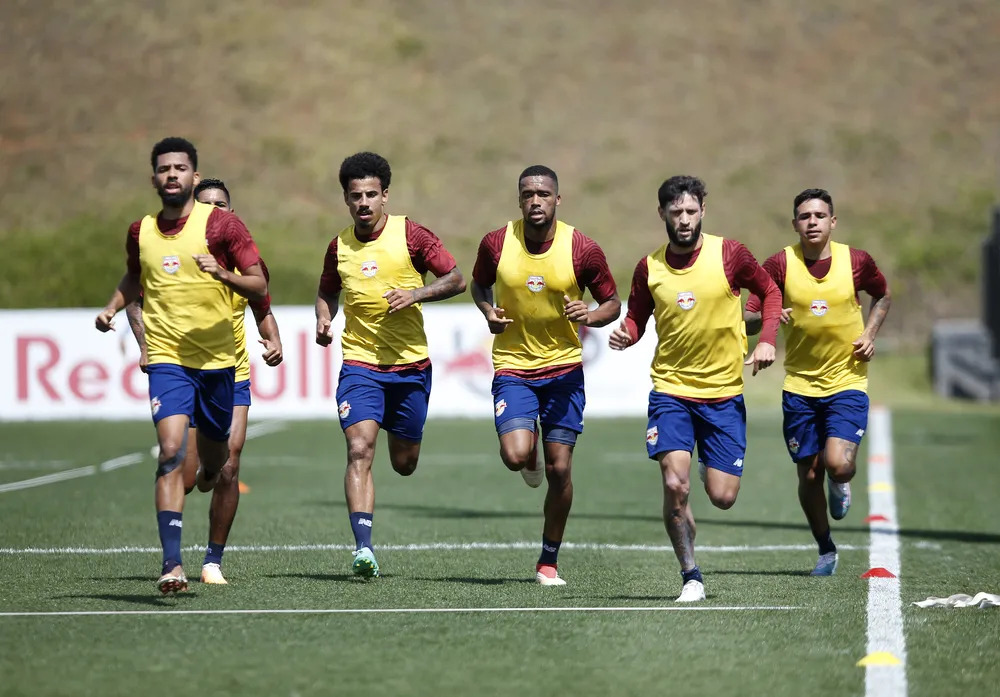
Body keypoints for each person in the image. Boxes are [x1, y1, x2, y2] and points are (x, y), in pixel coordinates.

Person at [95, 137, 269, 594]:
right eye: (164, 168)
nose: (172, 175)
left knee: (219, 466)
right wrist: (114, 308)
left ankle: (213, 550)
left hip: (221, 364)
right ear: (154, 177)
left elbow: (259, 285)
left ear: (193, 174)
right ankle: (173, 564)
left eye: (181, 168)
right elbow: (136, 278)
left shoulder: (226, 231)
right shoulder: (141, 231)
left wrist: (227, 277)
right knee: (171, 450)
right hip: (170, 360)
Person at [609, 175, 781, 602]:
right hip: (671, 391)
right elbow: (637, 317)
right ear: (662, 214)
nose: (684, 220)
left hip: (723, 394)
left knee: (722, 497)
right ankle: (691, 575)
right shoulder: (649, 267)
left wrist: (765, 341)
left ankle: (710, 470)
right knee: (675, 485)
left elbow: (771, 293)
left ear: (703, 209)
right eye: (675, 212)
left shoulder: (730, 254)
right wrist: (626, 334)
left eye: (690, 211)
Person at [124, 177, 284, 585]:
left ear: (230, 212)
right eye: (206, 203)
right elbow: (135, 297)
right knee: (187, 468)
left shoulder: (244, 259)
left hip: (231, 372)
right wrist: (145, 345)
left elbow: (262, 306)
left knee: (229, 464)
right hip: (182, 367)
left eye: (222, 204)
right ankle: (173, 557)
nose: (215, 210)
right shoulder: (175, 254)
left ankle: (212, 561)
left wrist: (272, 338)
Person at [315, 151, 466, 578]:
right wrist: (324, 318)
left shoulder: (412, 236)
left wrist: (415, 294)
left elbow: (457, 279)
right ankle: (363, 549)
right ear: (346, 199)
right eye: (355, 196)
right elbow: (327, 291)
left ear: (385, 196)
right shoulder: (338, 246)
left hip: (410, 367)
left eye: (371, 194)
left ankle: (401, 440)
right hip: (360, 364)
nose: (363, 203)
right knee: (359, 449)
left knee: (404, 462)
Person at [470, 165, 621, 586]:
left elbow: (613, 303)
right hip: (514, 367)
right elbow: (478, 285)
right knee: (516, 456)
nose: (536, 201)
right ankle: (528, 452)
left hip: (564, 370)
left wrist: (590, 314)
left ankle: (548, 561)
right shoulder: (497, 243)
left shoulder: (582, 249)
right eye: (528, 194)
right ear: (519, 200)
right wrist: (488, 311)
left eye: (544, 194)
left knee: (560, 471)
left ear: (558, 199)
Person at [744, 188, 890, 576]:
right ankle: (826, 549)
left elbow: (883, 295)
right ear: (794, 223)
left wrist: (870, 333)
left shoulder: (856, 261)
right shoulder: (778, 265)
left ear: (833, 221)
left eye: (820, 216)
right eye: (805, 216)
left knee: (837, 466)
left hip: (847, 380)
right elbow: (748, 316)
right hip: (800, 387)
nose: (812, 222)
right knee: (808, 472)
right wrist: (774, 315)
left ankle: (841, 485)